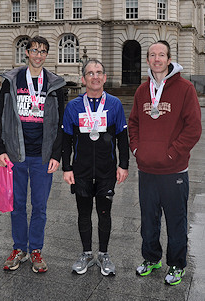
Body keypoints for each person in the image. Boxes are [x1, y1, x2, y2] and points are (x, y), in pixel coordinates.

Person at [128, 40, 202, 285]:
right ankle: (151, 258)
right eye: (152, 55)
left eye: (161, 55)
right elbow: (134, 124)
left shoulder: (185, 88)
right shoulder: (142, 91)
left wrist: (172, 154)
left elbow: (193, 129)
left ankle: (177, 264)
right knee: (148, 219)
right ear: (148, 60)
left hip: (174, 170)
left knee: (176, 220)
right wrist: (137, 149)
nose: (157, 59)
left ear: (169, 59)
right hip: (147, 169)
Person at [0, 35, 66, 273]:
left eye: (43, 51)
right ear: (27, 53)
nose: (38, 55)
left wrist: (57, 154)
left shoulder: (55, 84)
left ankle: (35, 249)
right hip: (16, 154)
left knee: (40, 206)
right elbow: (0, 117)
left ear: (47, 55)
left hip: (43, 156)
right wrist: (0, 149)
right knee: (17, 205)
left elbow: (60, 124)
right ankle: (18, 248)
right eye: (34, 50)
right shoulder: (12, 81)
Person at [62, 59, 129, 276]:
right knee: (83, 213)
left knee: (104, 213)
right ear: (83, 79)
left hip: (106, 170)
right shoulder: (73, 106)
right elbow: (66, 140)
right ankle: (86, 253)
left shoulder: (114, 104)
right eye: (90, 73)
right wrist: (67, 167)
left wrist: (123, 165)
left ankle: (104, 254)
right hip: (80, 171)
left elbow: (122, 137)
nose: (95, 76)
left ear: (105, 77)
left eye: (99, 72)